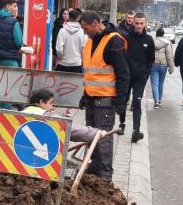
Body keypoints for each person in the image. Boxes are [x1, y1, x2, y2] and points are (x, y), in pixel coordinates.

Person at [79, 11, 130, 180]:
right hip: (91, 97)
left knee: (103, 136)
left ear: (95, 23)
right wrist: (84, 95)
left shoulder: (113, 41)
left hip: (105, 99)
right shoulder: (89, 42)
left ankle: (105, 173)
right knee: (91, 135)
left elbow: (123, 73)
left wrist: (121, 101)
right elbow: (90, 74)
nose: (85, 32)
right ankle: (94, 167)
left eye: (86, 28)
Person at [121, 13, 155, 143]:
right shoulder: (126, 37)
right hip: (127, 76)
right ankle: (122, 124)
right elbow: (121, 56)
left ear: (145, 23)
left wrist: (146, 73)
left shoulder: (149, 39)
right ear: (133, 23)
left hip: (140, 77)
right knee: (124, 101)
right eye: (137, 23)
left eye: (141, 23)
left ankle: (136, 130)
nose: (139, 26)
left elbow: (151, 59)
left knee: (137, 102)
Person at [22, 89, 97, 143]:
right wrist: (96, 133)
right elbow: (74, 130)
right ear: (41, 102)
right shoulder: (48, 117)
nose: (52, 107)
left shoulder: (19, 113)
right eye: (50, 103)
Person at [55, 9, 87, 73]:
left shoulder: (62, 31)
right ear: (78, 18)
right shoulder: (83, 32)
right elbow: (84, 49)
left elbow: (59, 50)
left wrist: (62, 58)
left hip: (63, 65)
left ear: (69, 17)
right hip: (77, 65)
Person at [151, 28, 174, 108]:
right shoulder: (167, 43)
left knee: (154, 84)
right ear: (163, 34)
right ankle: (159, 101)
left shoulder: (152, 41)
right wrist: (171, 68)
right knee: (160, 83)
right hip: (163, 66)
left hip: (153, 65)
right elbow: (169, 56)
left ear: (156, 34)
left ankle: (156, 102)